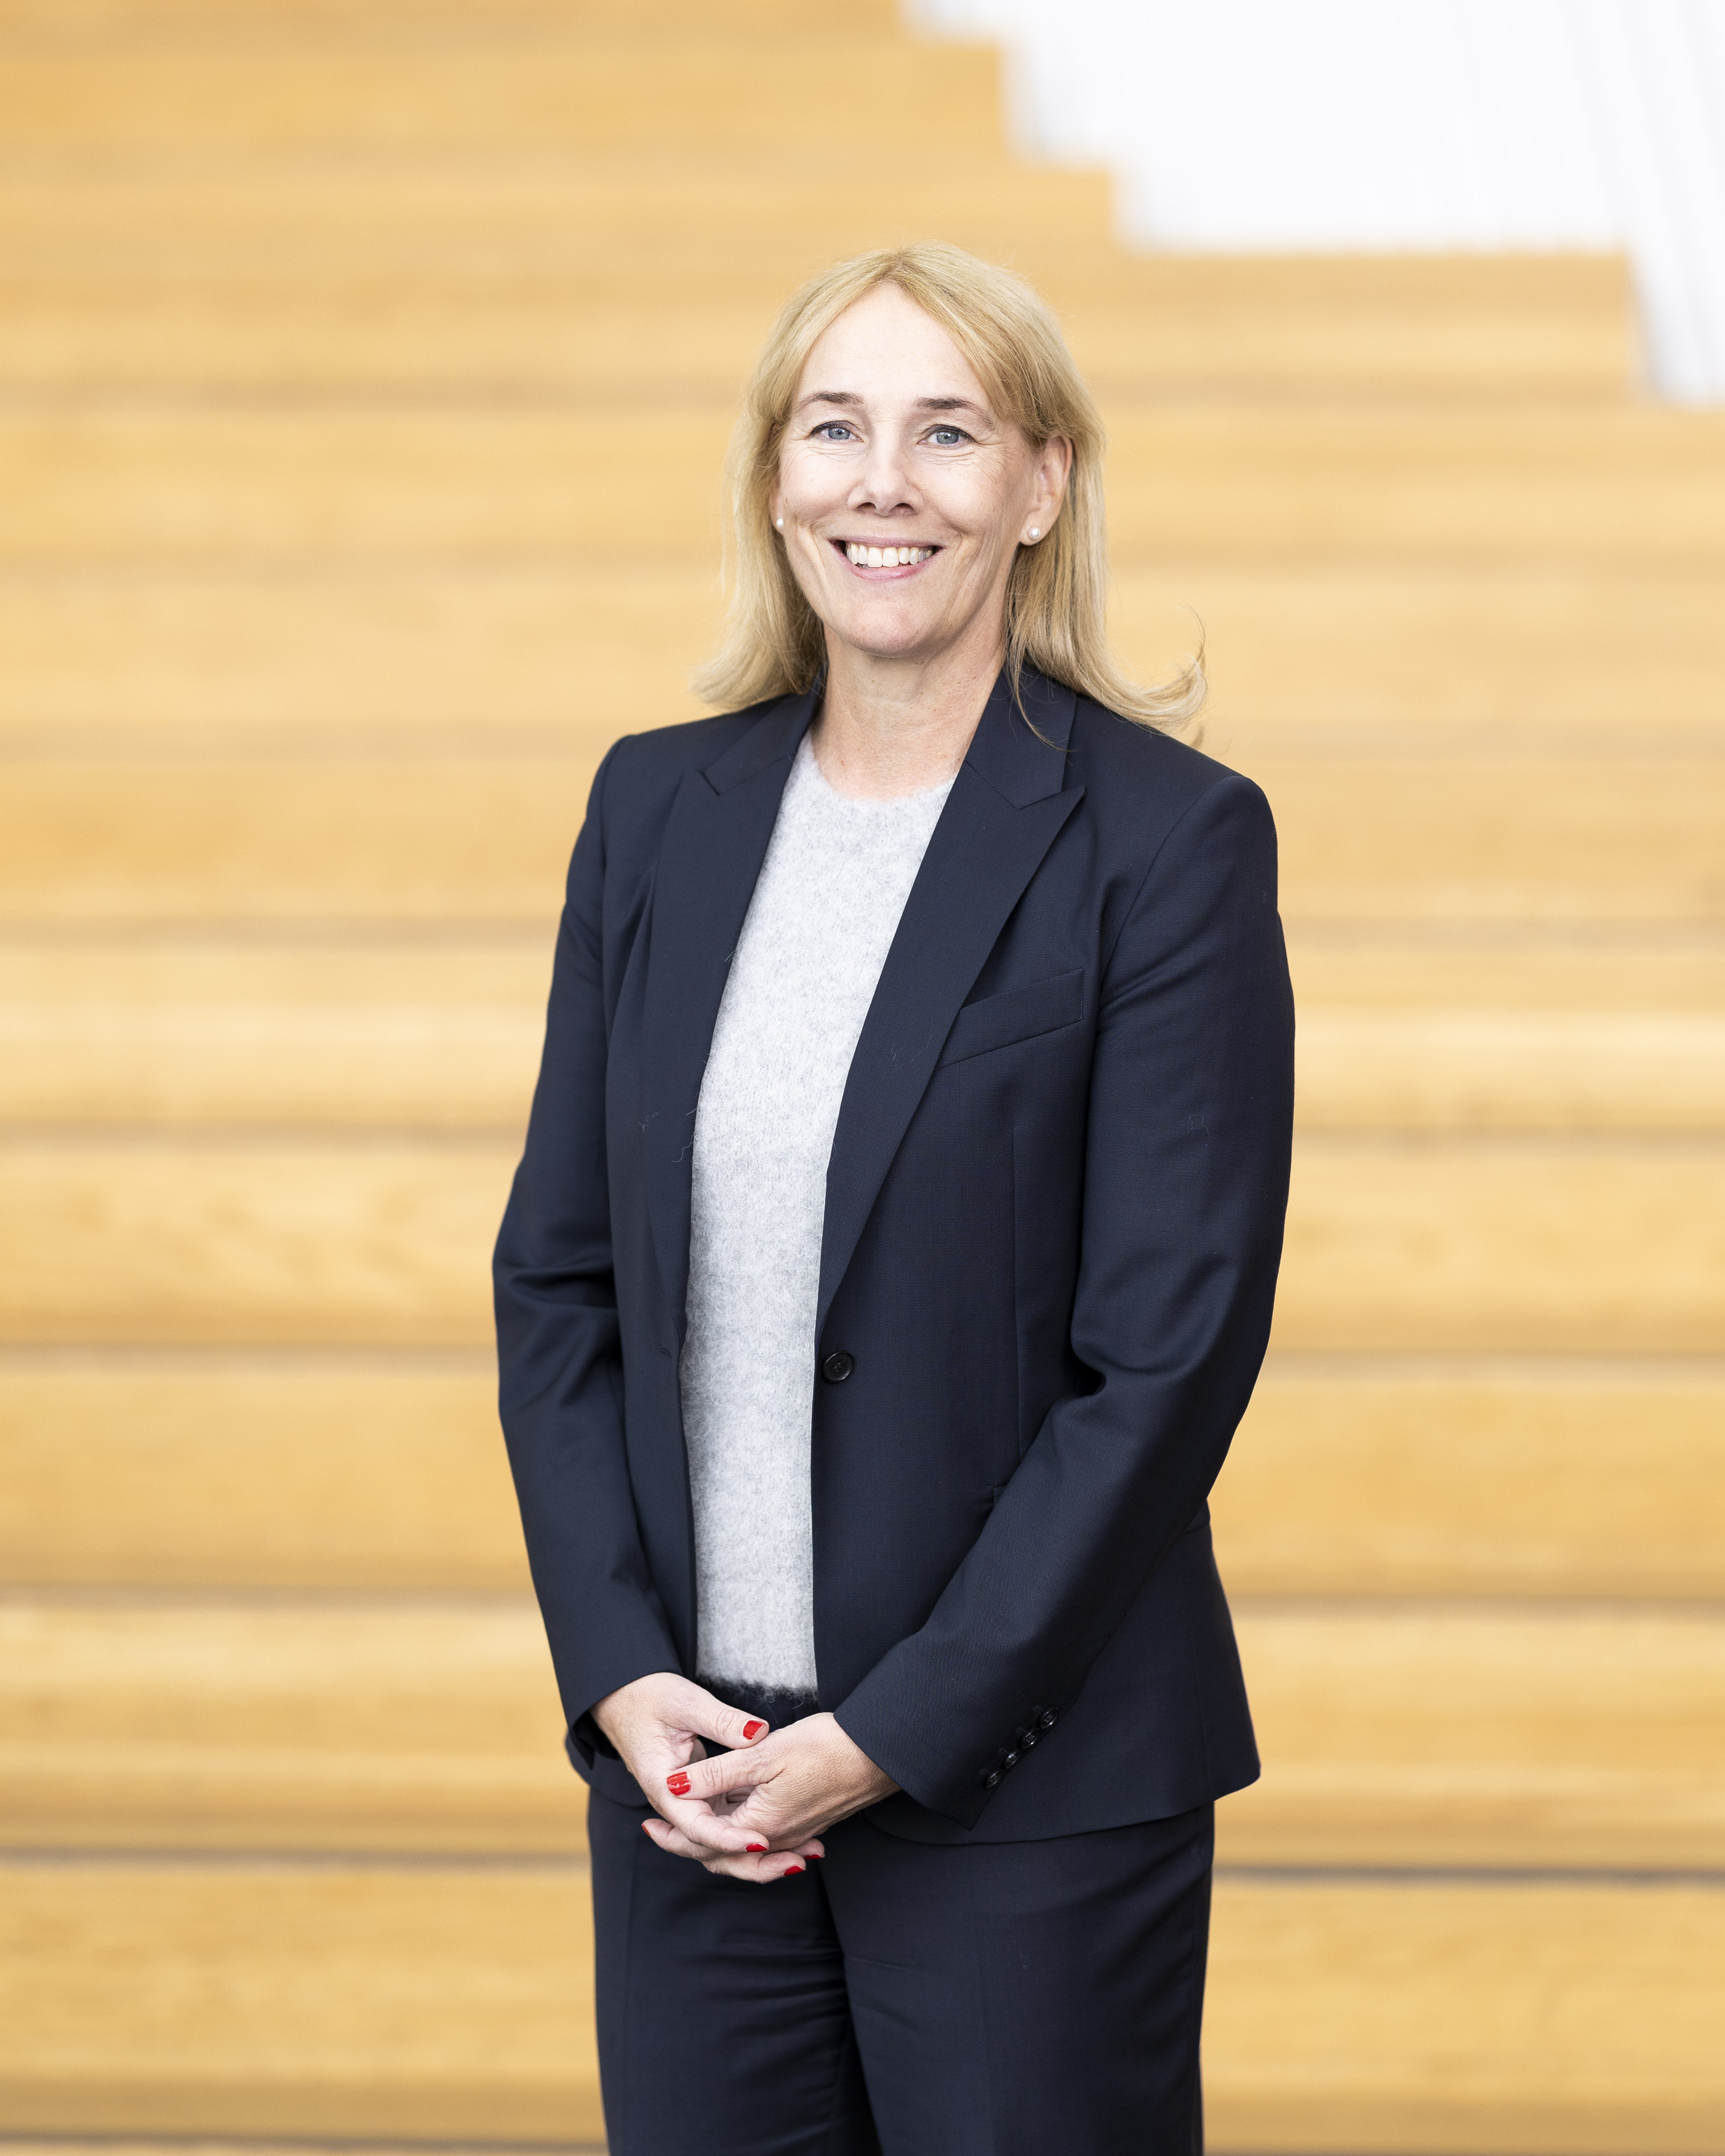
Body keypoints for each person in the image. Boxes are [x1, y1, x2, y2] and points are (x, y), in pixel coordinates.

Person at [492, 239, 1294, 2154]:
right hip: (701, 1791)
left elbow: (1162, 1366)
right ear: (776, 479)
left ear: (1042, 483)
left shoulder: (1168, 843)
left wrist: (894, 1734)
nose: (884, 483)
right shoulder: (653, 813)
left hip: (1029, 1800)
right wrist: (619, 1674)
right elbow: (562, 1285)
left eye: (948, 433)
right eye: (835, 428)